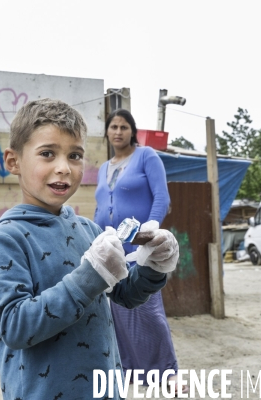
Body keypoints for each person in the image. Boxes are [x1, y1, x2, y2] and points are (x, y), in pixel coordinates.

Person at [0, 98, 180, 400]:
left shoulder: (89, 230)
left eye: (74, 156)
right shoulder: (7, 238)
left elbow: (124, 294)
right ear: (14, 161)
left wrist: (153, 266)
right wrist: (89, 276)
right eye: (47, 154)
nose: (63, 168)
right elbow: (14, 326)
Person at [94, 108, 186, 394]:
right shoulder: (103, 167)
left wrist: (150, 230)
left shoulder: (147, 156)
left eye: (123, 127)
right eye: (113, 127)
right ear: (107, 132)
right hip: (111, 247)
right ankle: (133, 371)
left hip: (140, 246)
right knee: (120, 311)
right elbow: (101, 206)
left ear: (132, 131)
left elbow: (161, 196)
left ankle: (168, 373)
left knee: (148, 308)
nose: (118, 132)